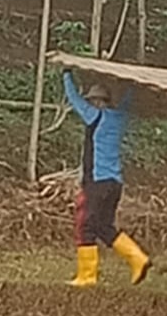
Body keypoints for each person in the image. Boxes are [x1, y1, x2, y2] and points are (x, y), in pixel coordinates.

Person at [62, 69, 151, 288]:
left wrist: (66, 74)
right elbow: (130, 99)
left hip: (98, 181)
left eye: (91, 101)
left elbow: (73, 99)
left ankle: (87, 276)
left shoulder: (94, 116)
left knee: (86, 226)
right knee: (104, 226)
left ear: (96, 102)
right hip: (115, 183)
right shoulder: (120, 116)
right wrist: (132, 82)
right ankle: (138, 258)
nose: (89, 105)